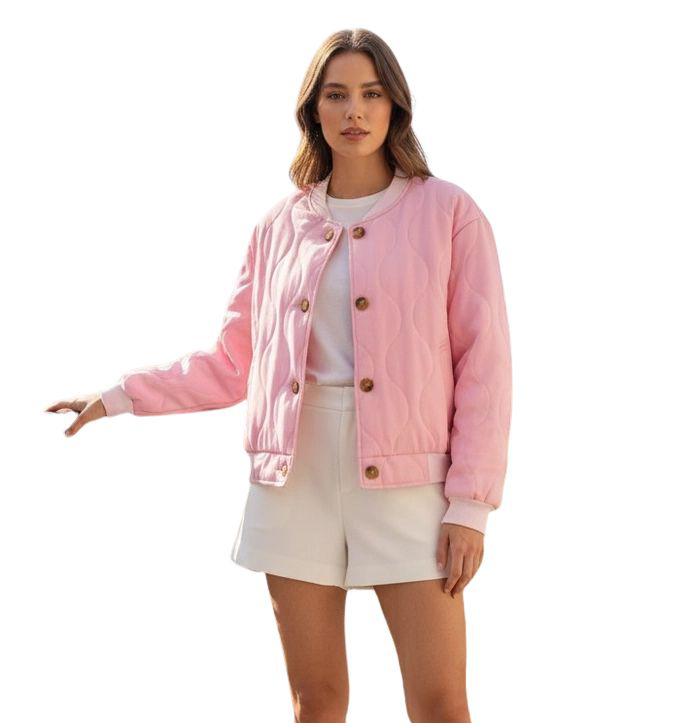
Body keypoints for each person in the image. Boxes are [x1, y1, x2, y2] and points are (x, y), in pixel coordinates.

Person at [46, 28, 512, 723]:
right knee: (314, 702)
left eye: (371, 94)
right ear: (313, 110)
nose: (354, 111)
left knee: (441, 704)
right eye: (337, 95)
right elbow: (233, 360)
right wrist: (118, 396)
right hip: (294, 479)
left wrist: (470, 505)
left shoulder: (448, 212)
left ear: (395, 106)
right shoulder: (279, 226)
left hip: (411, 480)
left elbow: (485, 364)